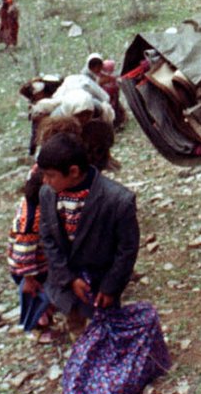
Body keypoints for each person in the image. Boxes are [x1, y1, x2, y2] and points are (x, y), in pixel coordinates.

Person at [37, 132, 139, 335]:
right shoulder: (48, 194)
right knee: (76, 326)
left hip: (101, 284)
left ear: (73, 171)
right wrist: (69, 278)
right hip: (66, 282)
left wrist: (111, 287)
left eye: (50, 175)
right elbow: (47, 238)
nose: (45, 181)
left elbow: (127, 249)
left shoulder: (117, 200)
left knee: (106, 331)